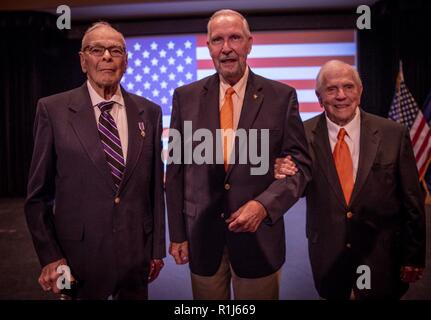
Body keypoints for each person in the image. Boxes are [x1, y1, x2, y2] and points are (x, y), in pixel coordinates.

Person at [165, 9, 311, 300]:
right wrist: (178, 233)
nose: (227, 47)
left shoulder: (281, 97)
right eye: (218, 40)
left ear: (249, 43)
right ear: (209, 47)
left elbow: (300, 167)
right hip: (202, 239)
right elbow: (176, 170)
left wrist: (264, 205)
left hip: (259, 240)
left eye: (235, 38)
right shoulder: (186, 97)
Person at [25, 22, 165, 299]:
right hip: (76, 262)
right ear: (82, 60)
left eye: (115, 50)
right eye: (96, 49)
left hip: (135, 260)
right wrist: (51, 258)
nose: (106, 57)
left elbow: (153, 192)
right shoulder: (52, 110)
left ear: (125, 61)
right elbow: (37, 197)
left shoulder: (149, 112)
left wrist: (156, 250)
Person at [274, 60, 426, 299]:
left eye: (348, 87)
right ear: (319, 96)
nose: (341, 95)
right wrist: (281, 169)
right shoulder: (301, 135)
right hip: (328, 255)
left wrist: (414, 256)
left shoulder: (393, 134)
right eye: (331, 89)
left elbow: (412, 201)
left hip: (382, 256)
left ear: (360, 90)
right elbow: (297, 187)